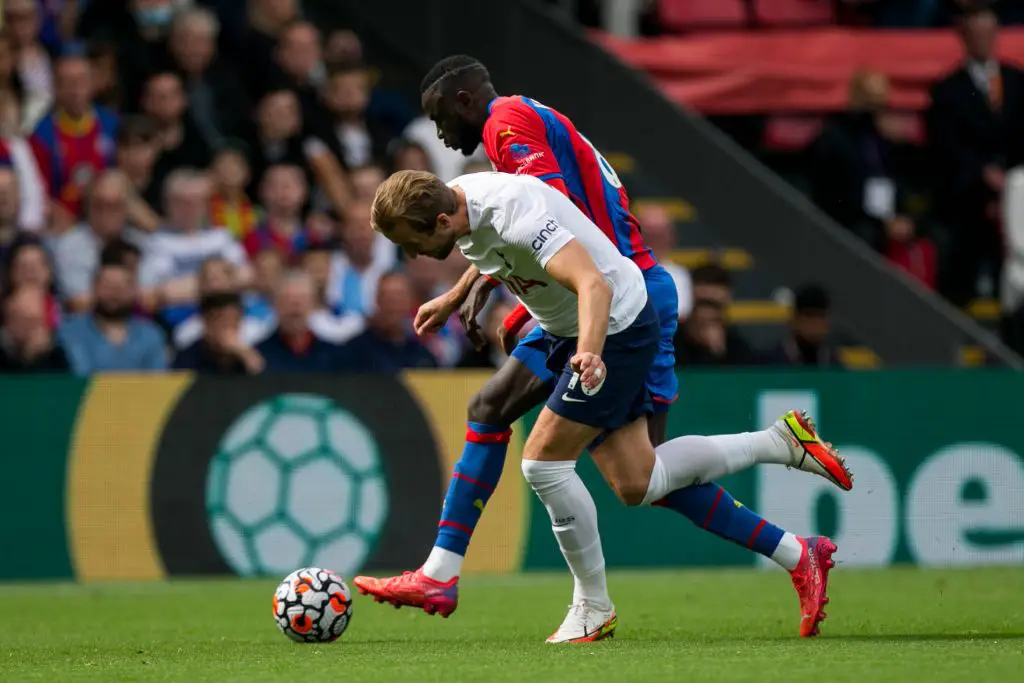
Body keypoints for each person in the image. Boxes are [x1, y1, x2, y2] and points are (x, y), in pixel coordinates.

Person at [354, 55, 840, 639]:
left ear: (462, 100)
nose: (438, 134)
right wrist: (478, 288)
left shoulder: (505, 126)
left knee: (633, 477)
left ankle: (593, 596)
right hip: (579, 303)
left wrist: (552, 316)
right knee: (547, 436)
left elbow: (554, 219)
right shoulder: (488, 164)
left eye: (438, 118)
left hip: (616, 298)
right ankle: (442, 572)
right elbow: (504, 223)